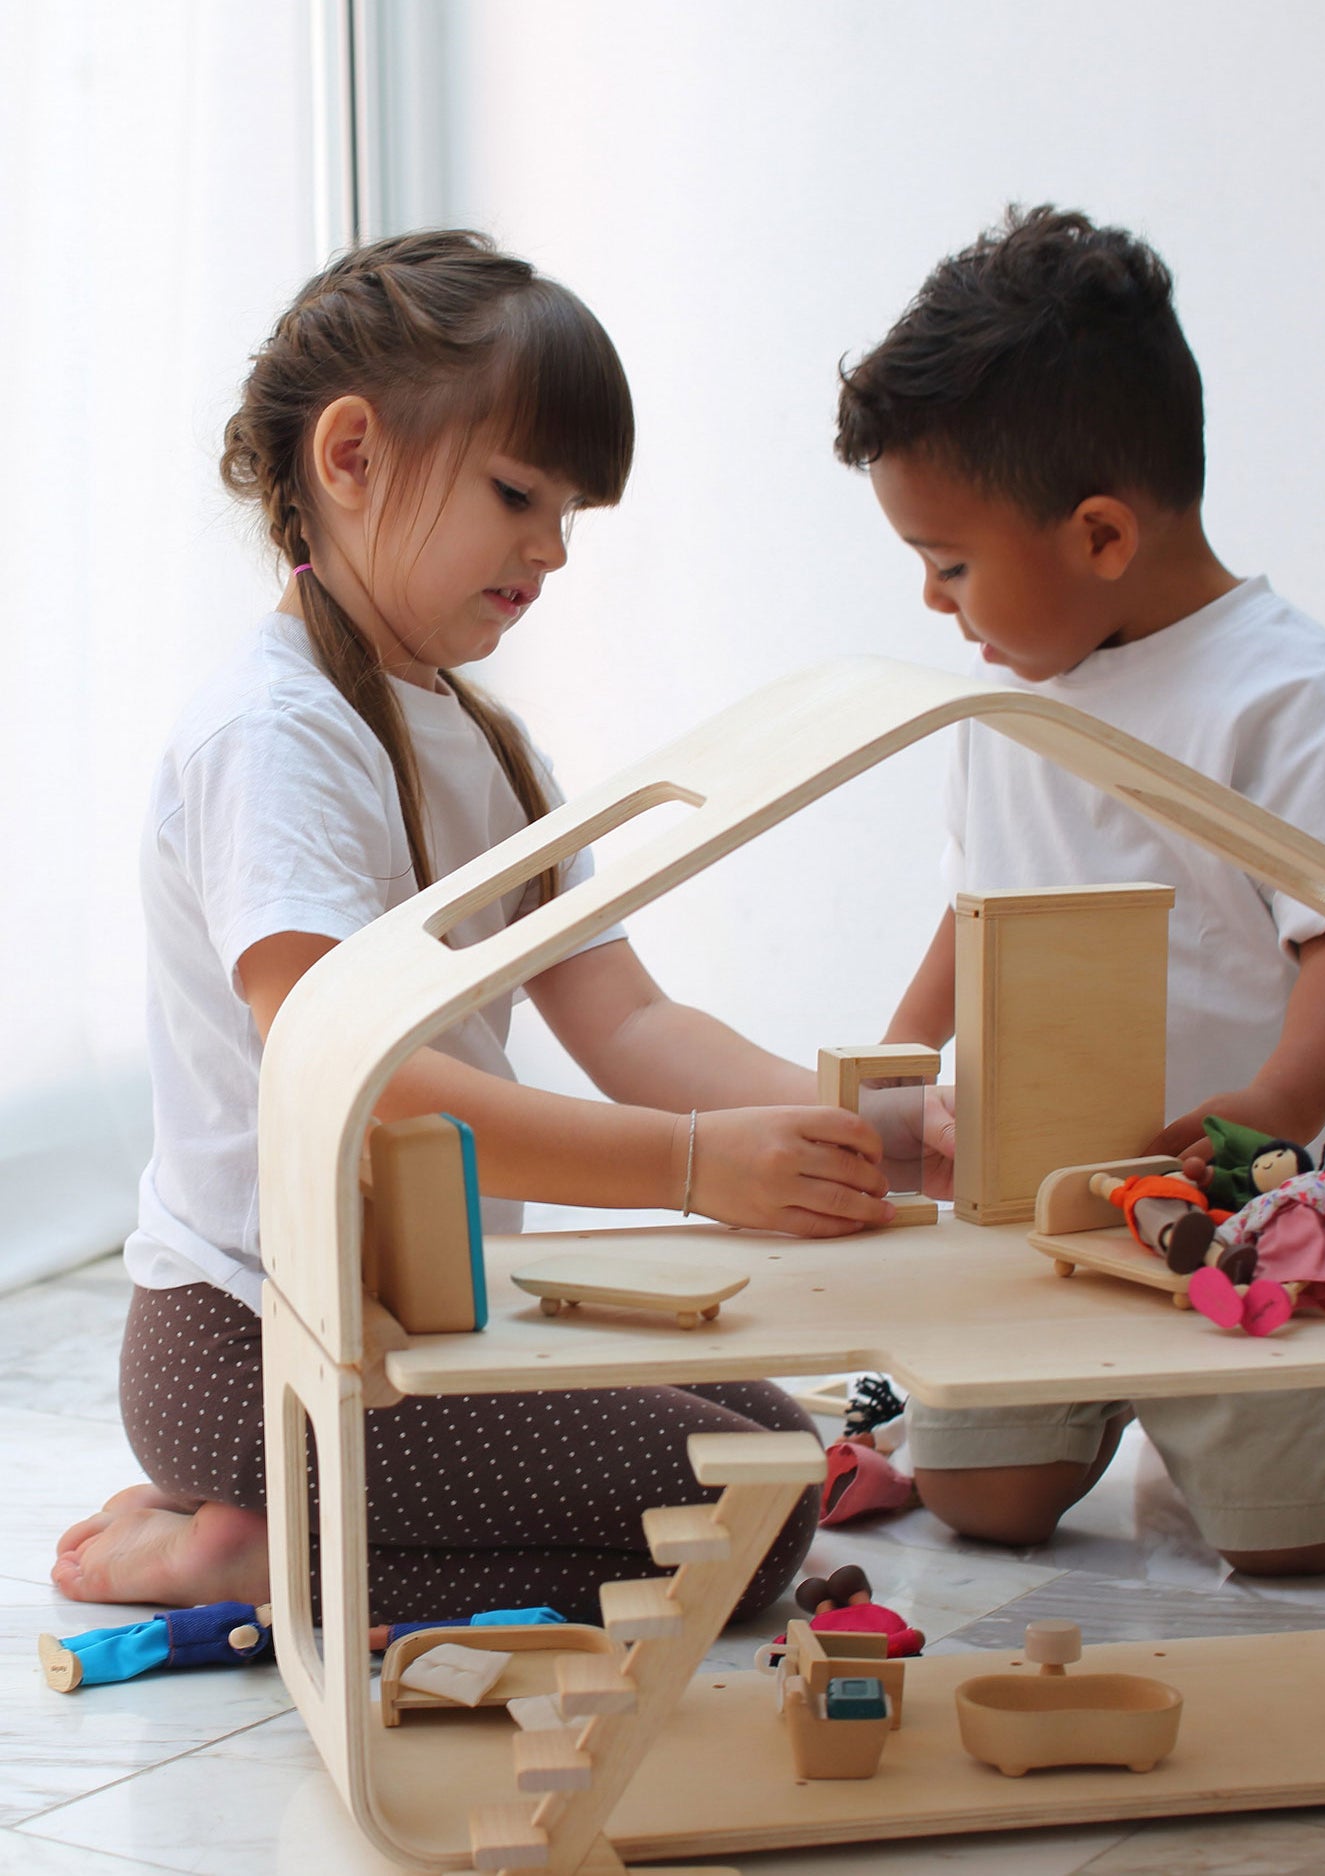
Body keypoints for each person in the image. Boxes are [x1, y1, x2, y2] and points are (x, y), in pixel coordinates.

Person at [52, 229, 901, 1627]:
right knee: (743, 1525)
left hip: (416, 1314)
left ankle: (283, 1527)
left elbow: (626, 1018)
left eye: (570, 511)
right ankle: (259, 1554)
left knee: (771, 1447)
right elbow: (348, 1073)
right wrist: (692, 1165)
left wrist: (848, 1126)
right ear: (351, 456)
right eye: (519, 493)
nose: (551, 548)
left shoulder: (486, 744)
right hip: (255, 1343)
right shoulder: (274, 737)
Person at [835, 205, 1325, 1573]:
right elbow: (976, 912)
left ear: (1097, 535)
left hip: (1241, 1203)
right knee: (987, 1502)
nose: (932, 602)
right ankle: (1140, 1407)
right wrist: (905, 1069)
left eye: (949, 564)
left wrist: (1270, 1114)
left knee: (1293, 1538)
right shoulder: (1003, 704)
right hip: (1051, 1202)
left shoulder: (1284, 695)